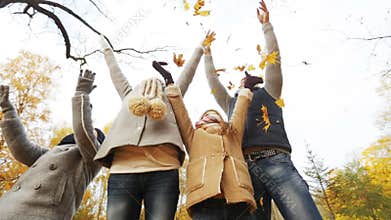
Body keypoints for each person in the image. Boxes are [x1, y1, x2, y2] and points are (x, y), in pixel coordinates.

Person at [203, 1, 323, 219]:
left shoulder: (270, 92)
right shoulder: (231, 103)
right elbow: (213, 82)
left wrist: (267, 27)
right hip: (244, 170)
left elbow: (273, 62)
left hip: (277, 161)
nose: (244, 79)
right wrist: (207, 55)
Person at [95, 35, 208, 220]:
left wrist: (200, 49)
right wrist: (106, 48)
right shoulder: (129, 97)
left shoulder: (171, 97)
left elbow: (188, 73)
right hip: (123, 172)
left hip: (163, 173)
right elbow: (114, 70)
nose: (150, 85)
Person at [153, 61, 257, 220]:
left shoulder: (232, 133)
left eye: (215, 116)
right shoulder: (194, 135)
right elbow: (180, 113)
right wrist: (169, 82)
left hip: (239, 199)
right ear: (201, 120)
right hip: (205, 200)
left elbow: (239, 113)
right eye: (208, 116)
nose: (212, 117)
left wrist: (246, 88)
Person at [0, 70, 105, 220]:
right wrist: (8, 110)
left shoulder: (90, 160)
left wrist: (82, 93)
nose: (91, 131)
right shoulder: (48, 155)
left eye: (95, 133)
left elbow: (83, 132)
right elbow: (20, 147)